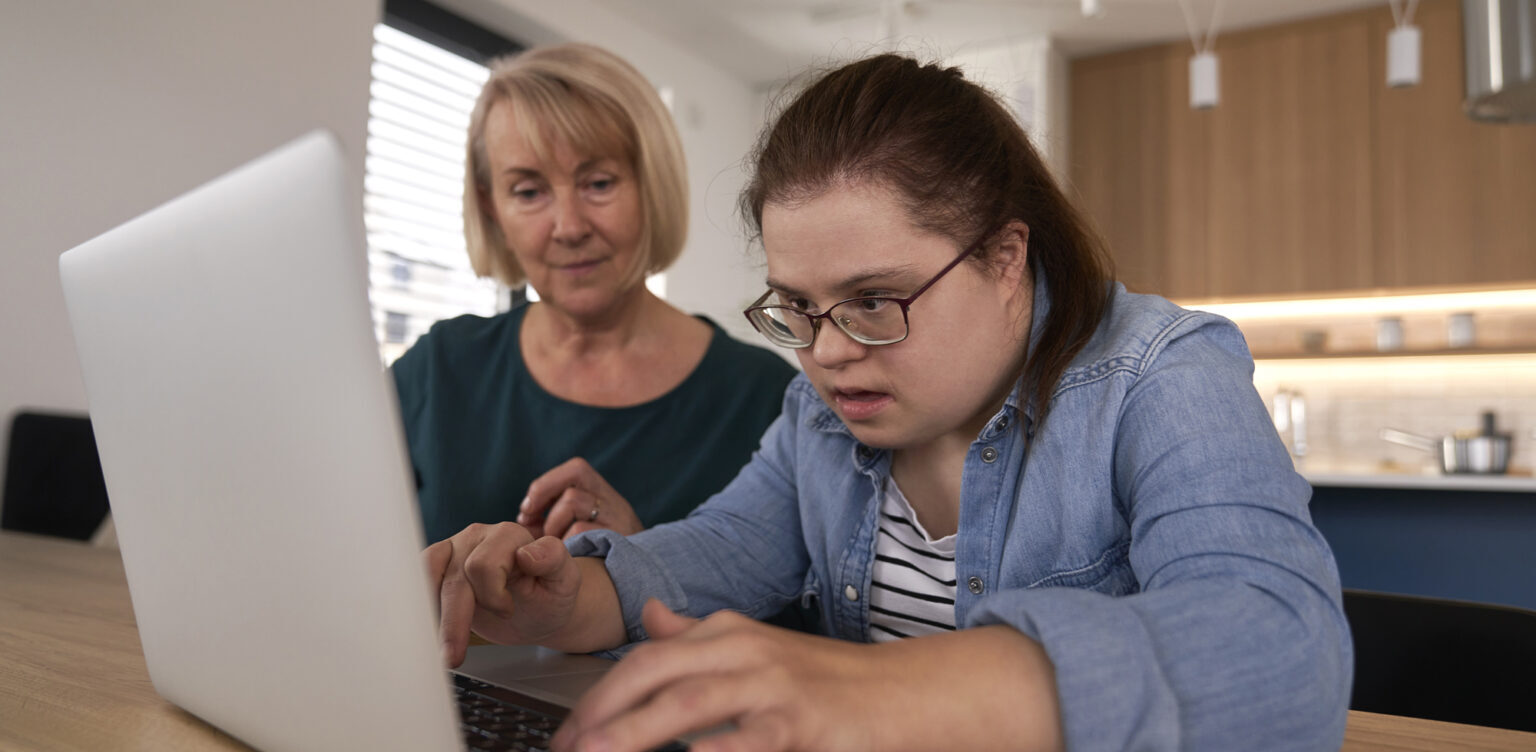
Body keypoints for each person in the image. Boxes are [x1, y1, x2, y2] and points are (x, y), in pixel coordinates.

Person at [425, 54, 1352, 751]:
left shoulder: (1161, 375)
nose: (827, 353)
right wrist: (568, 599)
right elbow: (723, 547)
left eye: (874, 301)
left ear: (1003, 257)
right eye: (798, 307)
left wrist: (895, 689)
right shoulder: (820, 416)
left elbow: (1282, 644)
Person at [390, 43, 796, 545]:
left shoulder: (767, 403)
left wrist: (645, 562)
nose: (568, 226)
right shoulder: (438, 370)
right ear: (490, 207)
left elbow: (797, 619)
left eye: (598, 183)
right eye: (528, 192)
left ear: (653, 185)